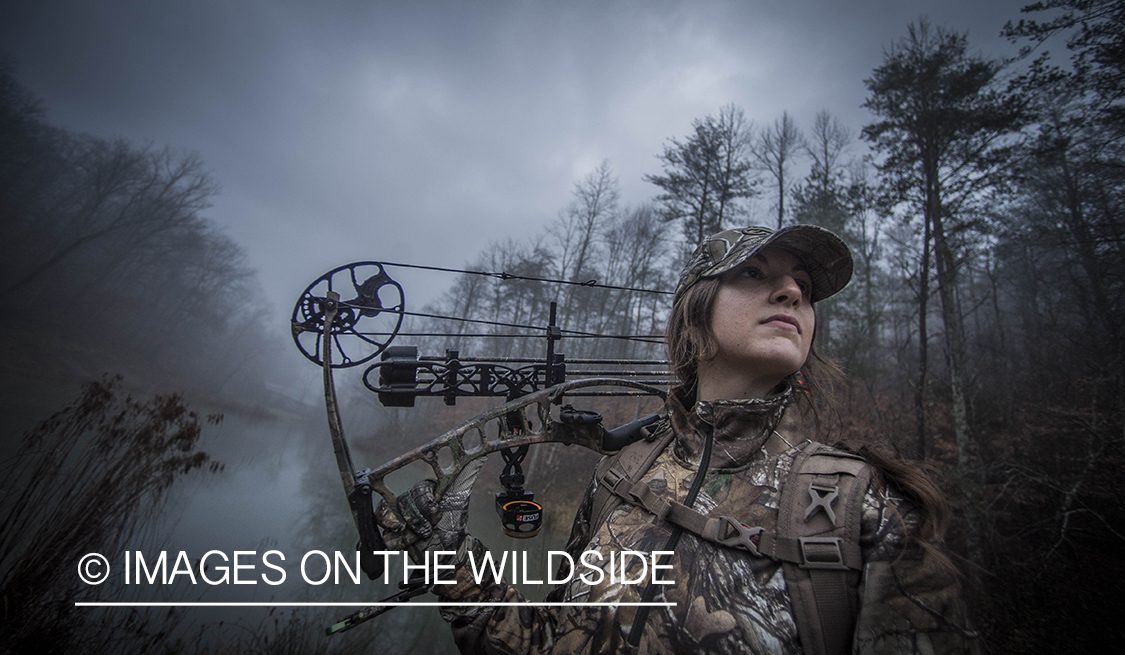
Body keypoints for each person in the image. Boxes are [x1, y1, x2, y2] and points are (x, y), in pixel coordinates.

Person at [377, 225, 980, 654]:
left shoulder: (865, 513)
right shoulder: (626, 472)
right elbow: (550, 637)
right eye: (754, 273)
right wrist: (451, 566)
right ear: (694, 315)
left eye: (803, 286)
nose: (794, 292)